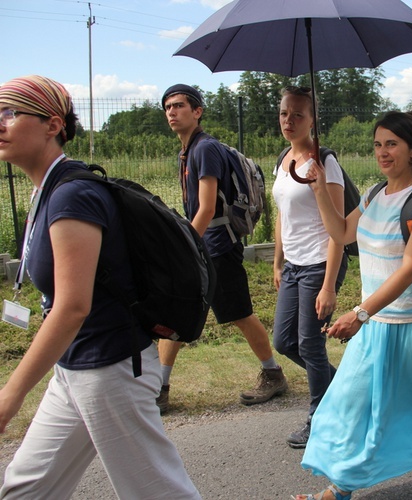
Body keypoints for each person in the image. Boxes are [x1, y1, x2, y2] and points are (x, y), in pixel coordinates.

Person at [0, 75, 201, 498]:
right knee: (25, 489)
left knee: (159, 494)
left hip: (110, 371)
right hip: (75, 368)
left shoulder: (72, 195)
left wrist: (11, 395)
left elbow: (72, 307)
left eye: (10, 113)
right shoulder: (49, 190)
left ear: (53, 125)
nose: (0, 124)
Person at [294, 109, 412, 500]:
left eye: (392, 144)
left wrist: (359, 313)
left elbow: (409, 269)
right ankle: (341, 486)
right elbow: (339, 232)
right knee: (349, 403)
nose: (383, 152)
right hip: (375, 324)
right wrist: (320, 188)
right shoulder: (373, 194)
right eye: (378, 144)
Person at [160, 84, 286, 413]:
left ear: (197, 111)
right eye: (168, 107)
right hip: (204, 246)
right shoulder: (187, 151)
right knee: (174, 314)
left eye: (179, 106)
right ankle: (158, 387)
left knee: (240, 313)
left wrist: (184, 249)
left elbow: (204, 209)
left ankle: (273, 373)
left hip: (216, 247)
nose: (172, 112)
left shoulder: (204, 150)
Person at [271, 85, 348, 448]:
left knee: (310, 344)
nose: (289, 120)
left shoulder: (324, 162)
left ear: (313, 119)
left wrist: (329, 285)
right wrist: (277, 260)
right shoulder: (284, 158)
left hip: (320, 263)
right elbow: (282, 214)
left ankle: (321, 418)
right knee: (284, 341)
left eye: (298, 114)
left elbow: (338, 227)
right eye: (285, 113)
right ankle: (346, 386)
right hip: (293, 265)